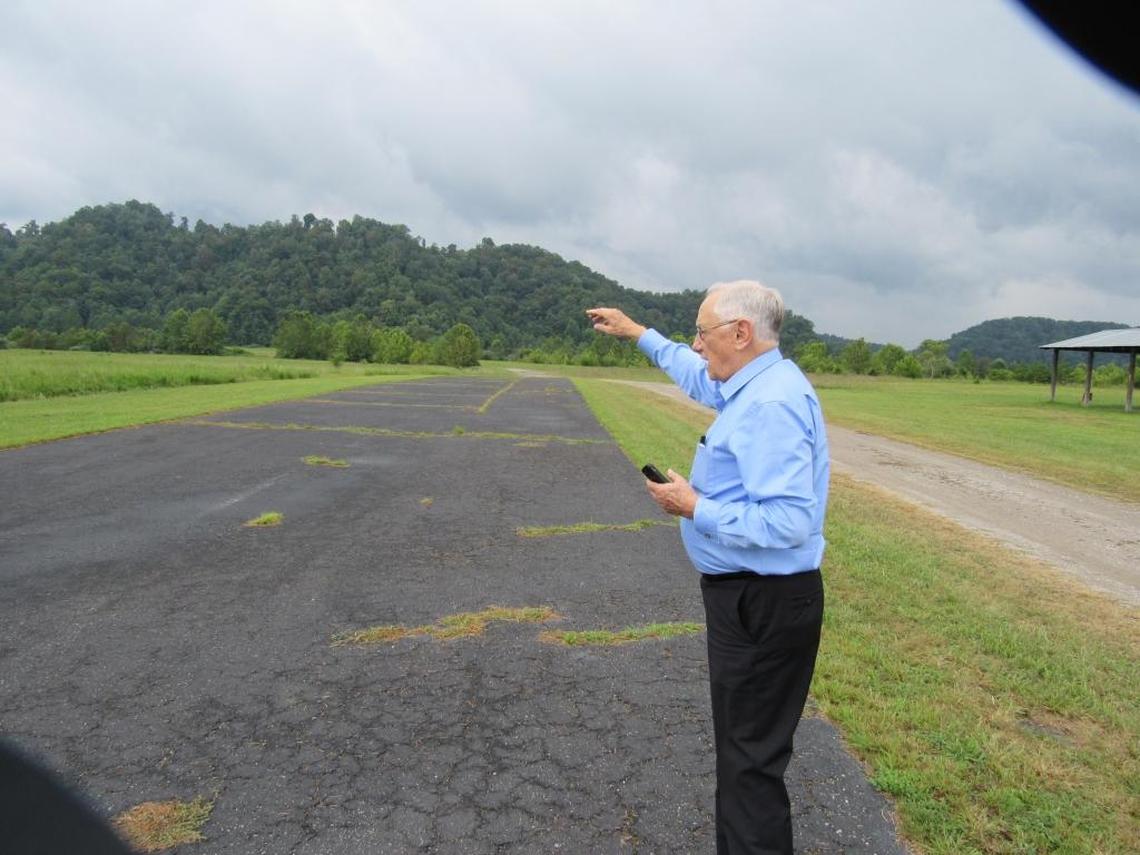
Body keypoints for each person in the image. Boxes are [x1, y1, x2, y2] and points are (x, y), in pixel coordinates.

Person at [587, 280, 829, 855]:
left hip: (761, 604)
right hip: (749, 598)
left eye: (702, 332)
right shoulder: (753, 384)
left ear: (740, 333)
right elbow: (697, 375)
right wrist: (637, 333)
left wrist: (695, 506)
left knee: (750, 764)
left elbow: (790, 521)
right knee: (744, 756)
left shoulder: (770, 404)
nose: (695, 345)